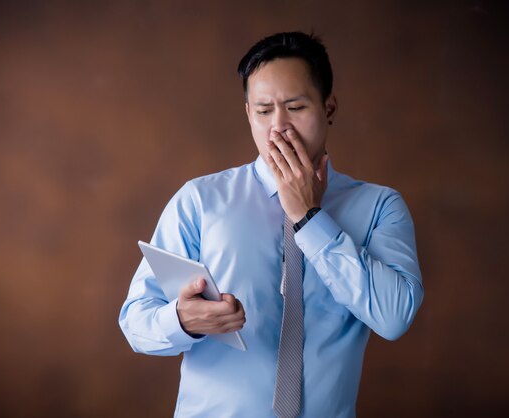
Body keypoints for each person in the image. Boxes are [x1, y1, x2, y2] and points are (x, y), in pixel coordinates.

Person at [119, 31, 423, 417]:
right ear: (248, 113)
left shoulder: (380, 206)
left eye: (295, 107)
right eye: (263, 111)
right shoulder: (201, 200)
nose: (279, 127)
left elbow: (394, 318)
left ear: (329, 107)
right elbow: (135, 321)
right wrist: (180, 320)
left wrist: (309, 218)